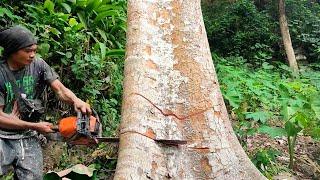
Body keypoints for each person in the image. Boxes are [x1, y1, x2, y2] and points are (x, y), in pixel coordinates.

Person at [0, 26, 91, 179]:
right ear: (12, 51)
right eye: (27, 51)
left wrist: (76, 100)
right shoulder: (1, 73)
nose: (32, 55)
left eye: (34, 50)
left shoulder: (38, 65)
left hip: (27, 135)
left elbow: (59, 89)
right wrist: (35, 126)